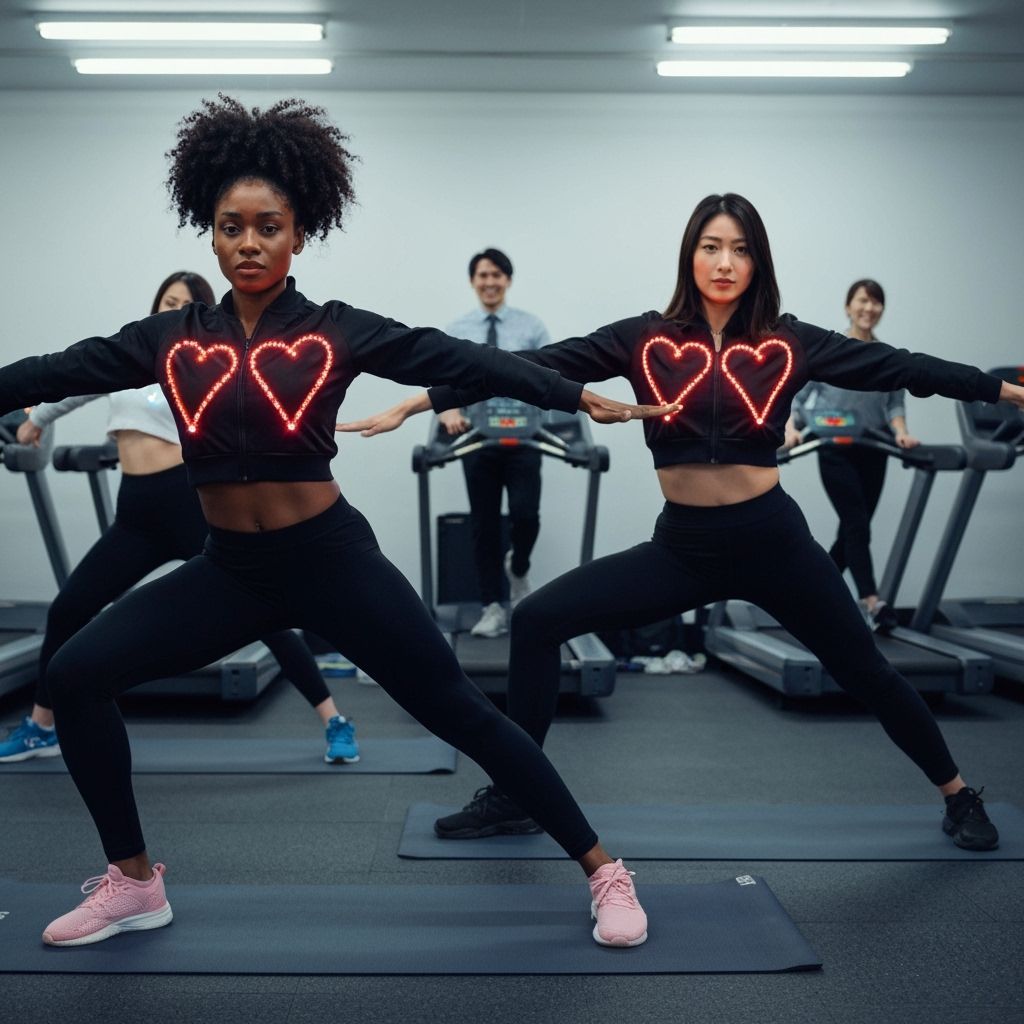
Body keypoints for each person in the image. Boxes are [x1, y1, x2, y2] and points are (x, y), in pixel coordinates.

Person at [0, 96, 675, 949]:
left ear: (299, 235)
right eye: (232, 228)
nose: (250, 243)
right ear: (210, 236)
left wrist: (573, 393)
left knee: (459, 710)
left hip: (330, 561)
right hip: (230, 569)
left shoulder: (335, 331)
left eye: (268, 227)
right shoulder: (170, 338)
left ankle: (604, 871)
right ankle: (134, 884)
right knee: (73, 674)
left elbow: (462, 359)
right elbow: (54, 370)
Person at [343, 192, 1024, 853]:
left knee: (868, 670)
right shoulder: (645, 339)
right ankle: (517, 796)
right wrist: (422, 402)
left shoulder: (789, 342)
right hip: (684, 548)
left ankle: (958, 794)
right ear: (689, 255)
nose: (725, 262)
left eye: (740, 249)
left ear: (758, 262)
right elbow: (527, 366)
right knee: (537, 620)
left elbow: (902, 366)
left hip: (774, 542)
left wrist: (1004, 391)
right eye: (711, 247)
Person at [0, 271, 359, 768]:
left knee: (269, 617)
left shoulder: (194, 366)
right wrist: (36, 420)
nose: (169, 310)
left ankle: (334, 719)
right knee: (68, 609)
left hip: (189, 507)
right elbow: (77, 385)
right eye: (165, 301)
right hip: (135, 516)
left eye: (181, 304)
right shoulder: (136, 357)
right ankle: (42, 727)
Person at [783, 279, 917, 633]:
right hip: (834, 449)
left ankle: (808, 598)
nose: (869, 308)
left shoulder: (887, 356)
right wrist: (791, 429)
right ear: (848, 306)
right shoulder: (830, 350)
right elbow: (798, 397)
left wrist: (901, 433)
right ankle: (872, 602)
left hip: (874, 450)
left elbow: (895, 404)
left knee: (853, 531)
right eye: (862, 301)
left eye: (876, 302)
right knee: (857, 525)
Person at [441, 249, 550, 637]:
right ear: (473, 281)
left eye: (497, 275)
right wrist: (447, 411)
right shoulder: (458, 327)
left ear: (508, 280)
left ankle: (518, 569)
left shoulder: (531, 327)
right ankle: (492, 608)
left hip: (524, 437)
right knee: (483, 525)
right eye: (483, 275)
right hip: (478, 440)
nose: (490, 282)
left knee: (526, 514)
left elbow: (550, 376)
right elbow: (442, 376)